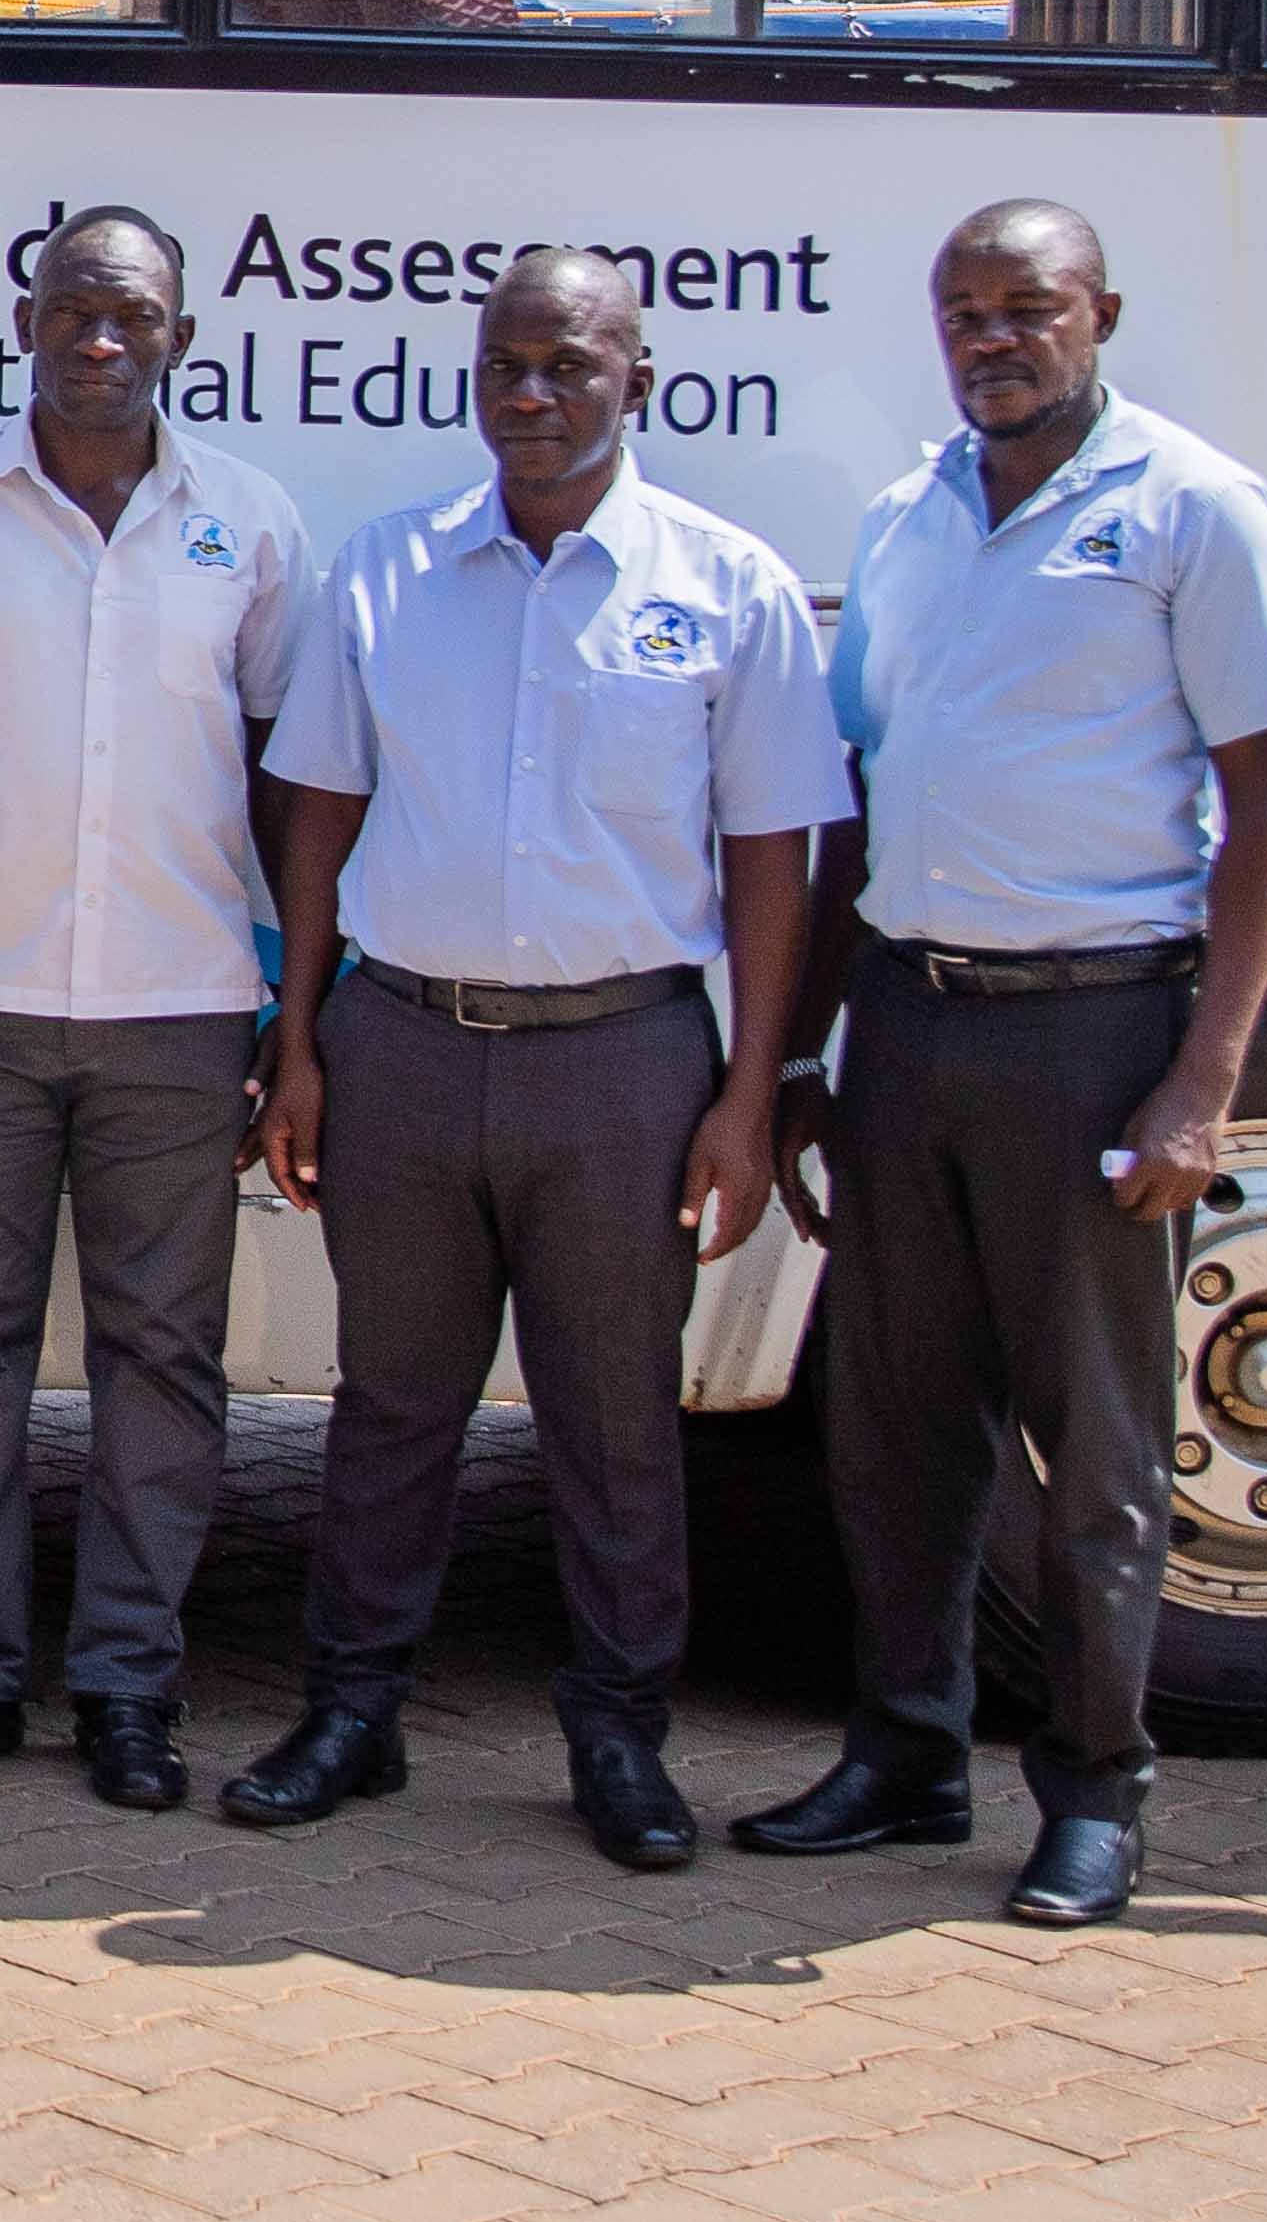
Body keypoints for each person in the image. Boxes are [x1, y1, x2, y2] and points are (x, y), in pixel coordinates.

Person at [730, 199, 1267, 1933]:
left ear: (1102, 313)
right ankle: (906, 1754)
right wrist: (814, 1051)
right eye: (964, 311)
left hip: (1091, 1023)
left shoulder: (1191, 509)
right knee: (897, 1431)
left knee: (1101, 1444)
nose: (993, 337)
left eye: (1028, 307)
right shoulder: (908, 519)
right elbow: (861, 797)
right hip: (912, 1019)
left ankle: (1096, 1796)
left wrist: (1201, 1083)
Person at [244, 249, 843, 1869]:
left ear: (634, 380)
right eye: (506, 362)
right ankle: (352, 1712)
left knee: (614, 1423)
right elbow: (317, 822)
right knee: (391, 1408)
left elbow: (776, 859)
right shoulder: (388, 573)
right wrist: (297, 1039)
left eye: (567, 365)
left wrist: (744, 1093)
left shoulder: (727, 586)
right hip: (405, 1048)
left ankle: (620, 1739)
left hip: (627, 1064)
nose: (529, 392)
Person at [0, 210, 313, 1798]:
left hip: (182, 1011)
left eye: (133, 315)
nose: (101, 340)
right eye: (74, 310)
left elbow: (288, 787)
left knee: (162, 1362)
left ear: (182, 336)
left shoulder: (251, 525)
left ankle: (131, 1686)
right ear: (26, 320)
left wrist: (292, 1008)